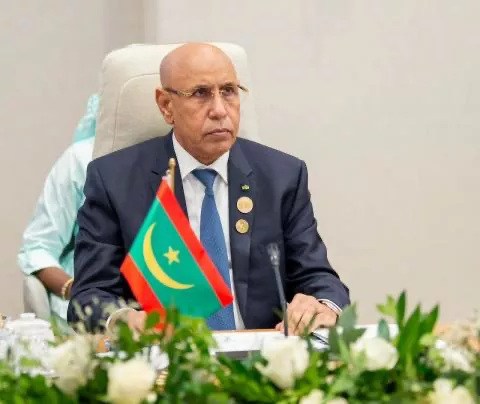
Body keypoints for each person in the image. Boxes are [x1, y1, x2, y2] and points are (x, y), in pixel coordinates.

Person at [68, 43, 350, 335]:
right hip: (167, 353)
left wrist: (320, 305)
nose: (219, 110)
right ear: (166, 105)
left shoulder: (282, 176)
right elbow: (88, 297)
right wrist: (126, 320)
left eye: (228, 91)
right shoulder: (115, 180)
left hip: (262, 352)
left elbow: (321, 279)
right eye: (200, 93)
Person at [18, 94, 99, 328]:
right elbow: (38, 247)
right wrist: (76, 291)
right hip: (89, 313)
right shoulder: (82, 159)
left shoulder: (175, 162)